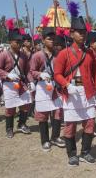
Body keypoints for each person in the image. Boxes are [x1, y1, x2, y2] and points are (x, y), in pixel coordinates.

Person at [54, 2, 96, 166]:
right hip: (71, 92)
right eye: (79, 32)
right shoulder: (63, 54)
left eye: (84, 32)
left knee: (90, 124)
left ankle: (86, 152)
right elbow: (57, 75)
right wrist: (67, 85)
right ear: (71, 33)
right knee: (70, 126)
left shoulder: (91, 53)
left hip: (88, 93)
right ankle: (72, 154)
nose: (82, 35)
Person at [28, 24, 65, 152]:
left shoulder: (59, 55)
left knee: (57, 113)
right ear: (43, 40)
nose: (52, 41)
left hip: (55, 87)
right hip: (43, 88)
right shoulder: (37, 55)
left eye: (53, 39)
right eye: (49, 39)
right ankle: (45, 140)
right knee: (43, 115)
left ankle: (55, 137)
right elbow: (32, 71)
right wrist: (40, 74)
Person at [0, 20, 33, 138]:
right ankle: (9, 128)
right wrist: (7, 75)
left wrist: (30, 81)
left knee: (26, 104)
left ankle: (21, 124)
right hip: (9, 84)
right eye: (17, 41)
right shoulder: (3, 55)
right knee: (11, 107)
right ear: (11, 42)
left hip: (21, 83)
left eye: (21, 41)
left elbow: (27, 71)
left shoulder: (23, 55)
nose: (20, 43)